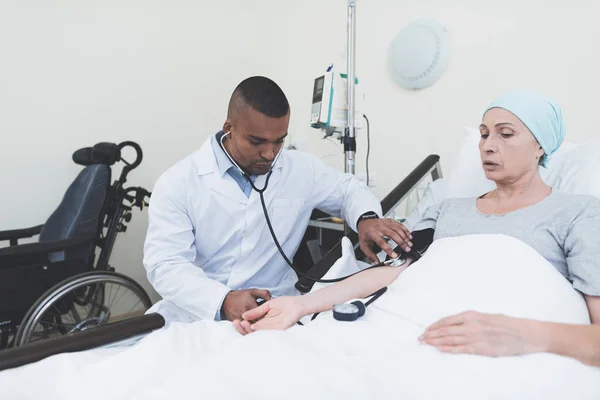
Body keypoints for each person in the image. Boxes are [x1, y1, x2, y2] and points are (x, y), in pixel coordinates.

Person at [234, 89, 600, 368]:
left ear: (541, 145)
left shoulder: (578, 214)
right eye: (485, 134)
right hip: (407, 330)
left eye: (505, 134)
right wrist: (300, 304)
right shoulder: (446, 210)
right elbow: (395, 272)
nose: (488, 146)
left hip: (498, 353)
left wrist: (522, 335)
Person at [142, 76, 412, 323]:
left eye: (279, 141)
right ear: (229, 129)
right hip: (197, 313)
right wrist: (222, 300)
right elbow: (165, 264)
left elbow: (348, 190)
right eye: (257, 142)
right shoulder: (179, 182)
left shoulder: (300, 169)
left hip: (277, 306)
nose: (270, 154)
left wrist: (367, 219)